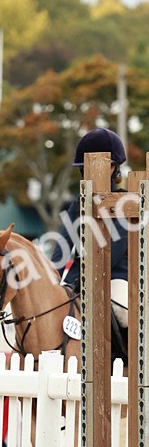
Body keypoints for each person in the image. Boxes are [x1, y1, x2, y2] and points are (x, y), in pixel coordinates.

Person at [53, 128, 129, 328]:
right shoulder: (80, 201)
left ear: (113, 168)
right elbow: (64, 239)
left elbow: (115, 249)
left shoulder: (126, 202)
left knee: (122, 313)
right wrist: (53, 276)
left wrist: (83, 278)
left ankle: (125, 356)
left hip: (116, 277)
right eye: (84, 168)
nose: (87, 173)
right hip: (79, 275)